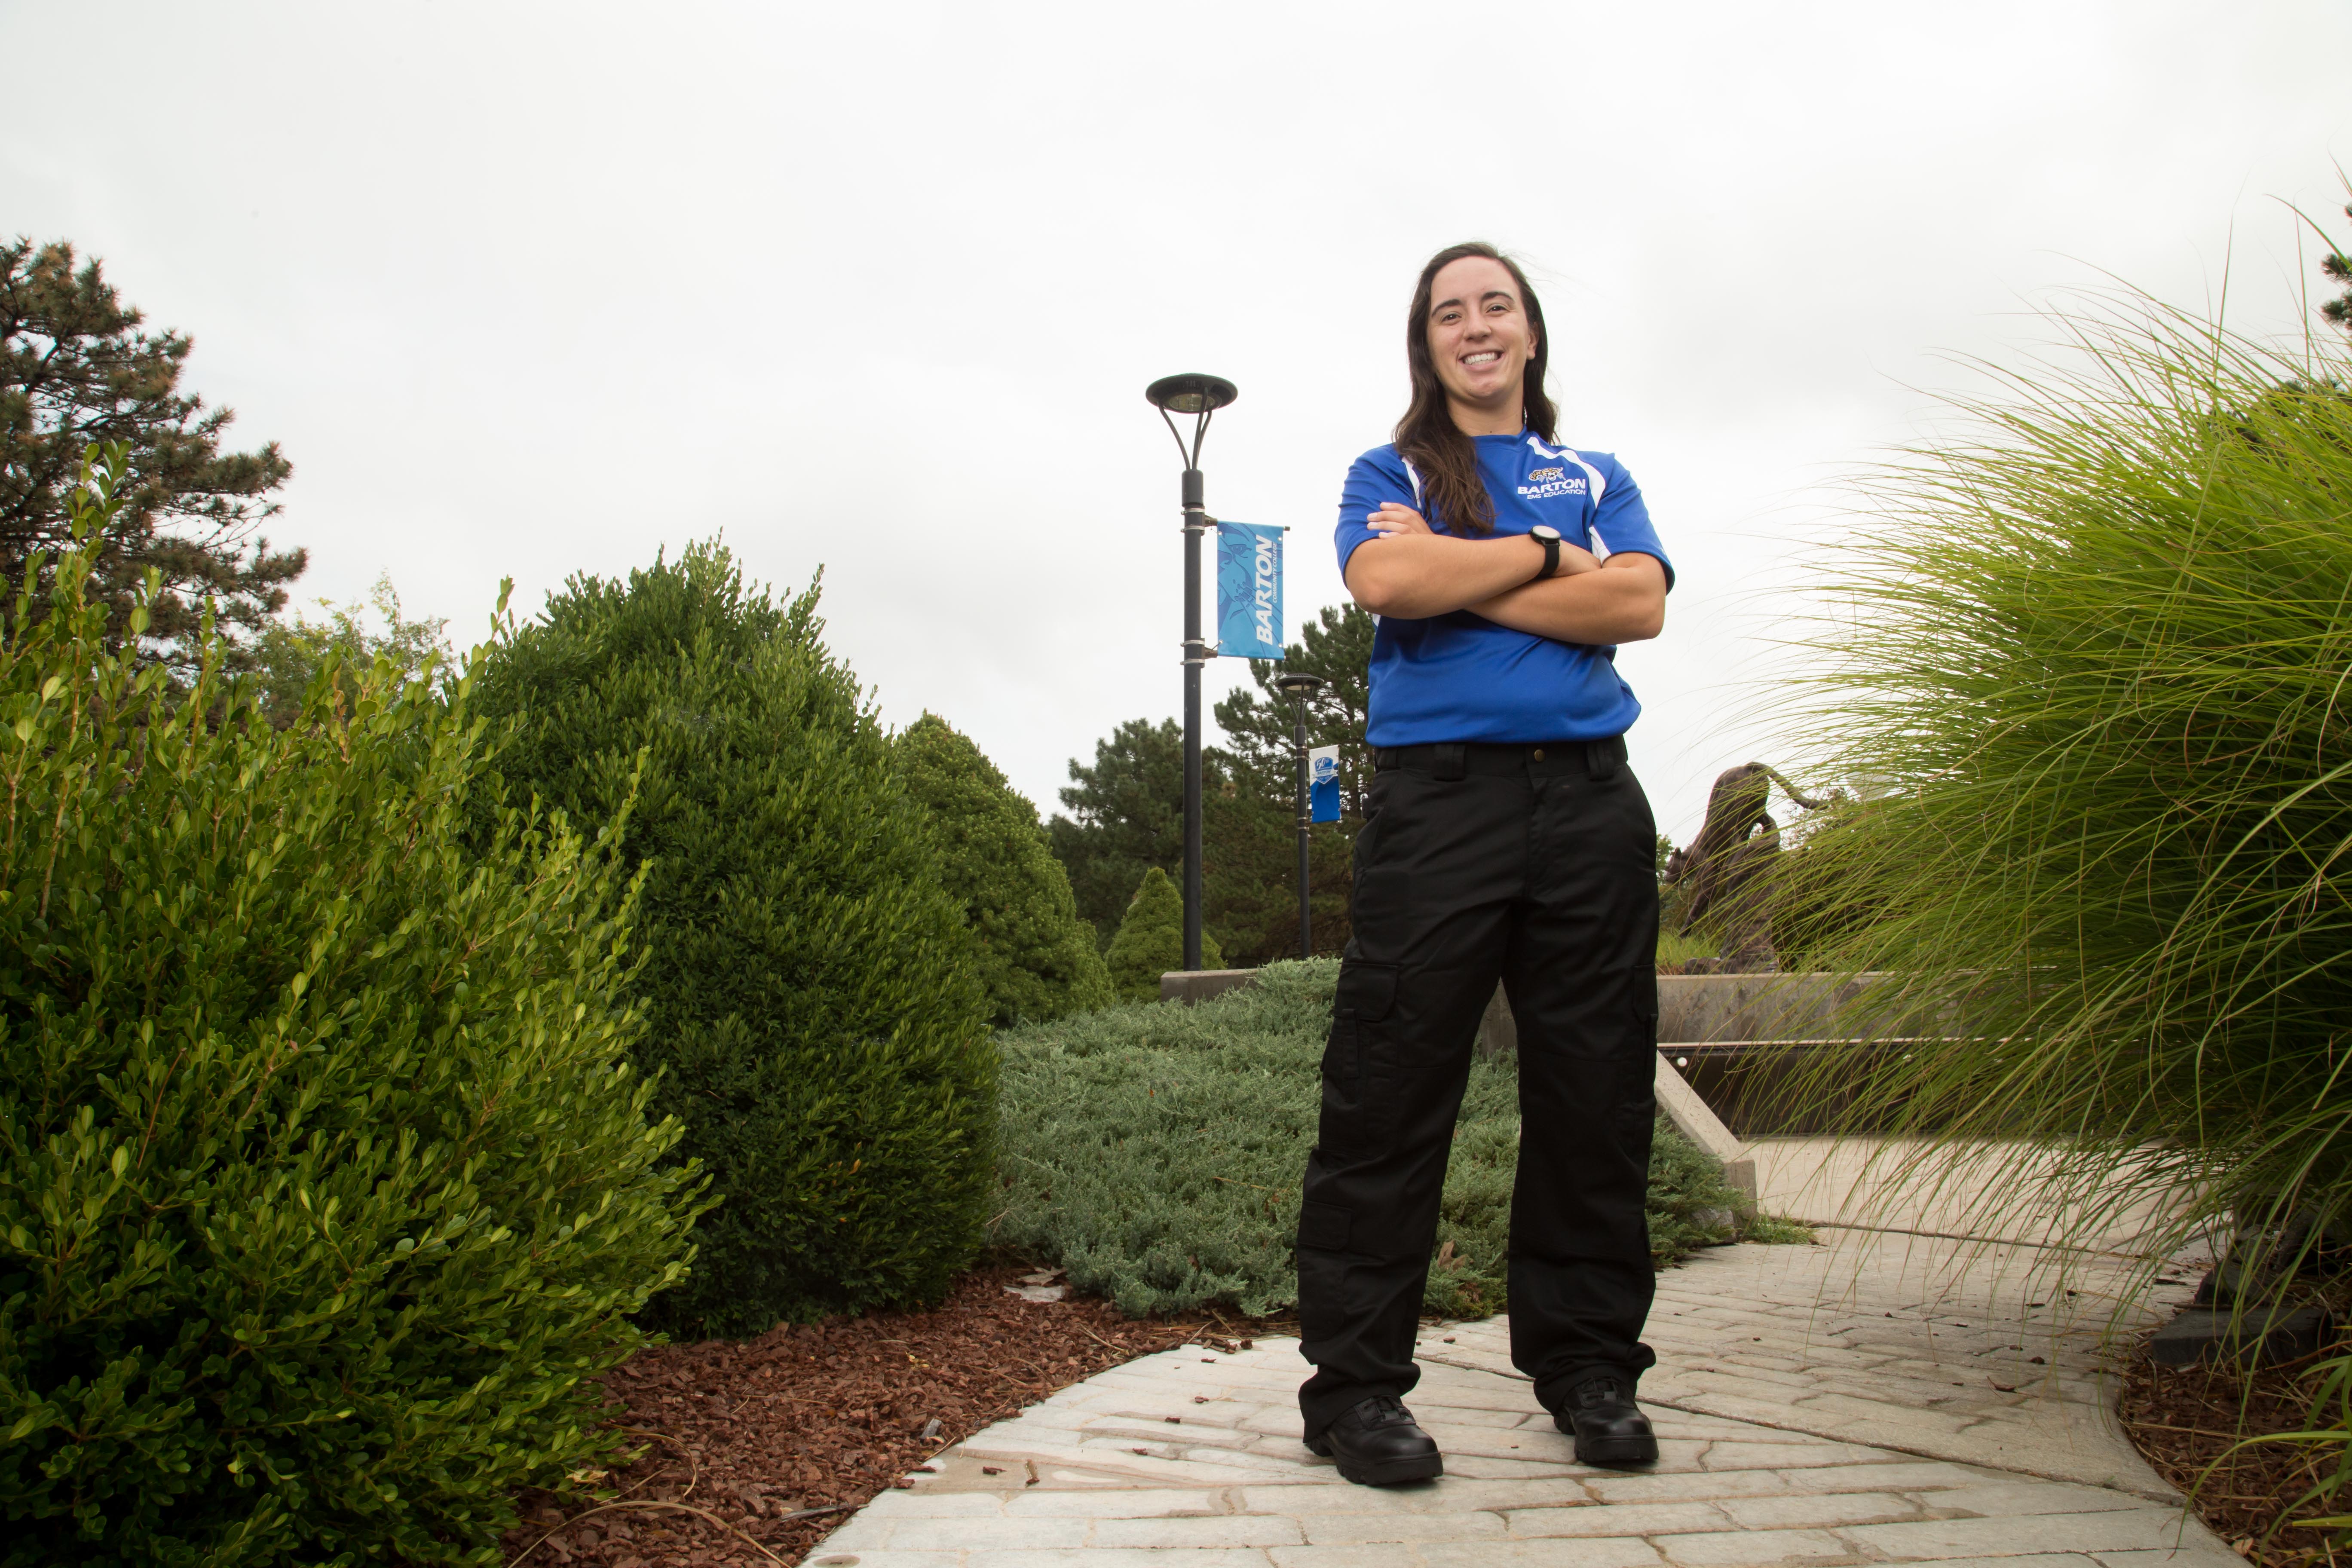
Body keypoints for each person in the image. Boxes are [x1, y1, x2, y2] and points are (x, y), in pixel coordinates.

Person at [1296, 240, 1672, 1486]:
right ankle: (1356, 1392)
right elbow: (1388, 578)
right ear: (1430, 343)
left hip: (1589, 809)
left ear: (1528, 332)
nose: (1475, 325)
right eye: (1449, 311)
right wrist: (1553, 560)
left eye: (1494, 305)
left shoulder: (1596, 469)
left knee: (1596, 1098)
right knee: (1389, 1093)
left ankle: (1587, 1369)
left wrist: (1473, 575)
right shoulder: (1389, 469)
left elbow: (1641, 608)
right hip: (1438, 810)